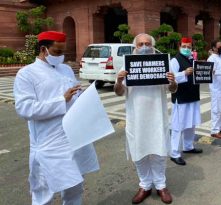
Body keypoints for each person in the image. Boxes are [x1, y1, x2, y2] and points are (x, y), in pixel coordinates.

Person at [14, 31, 100, 205]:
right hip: (49, 143)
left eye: (63, 52)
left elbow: (73, 95)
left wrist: (81, 97)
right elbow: (25, 109)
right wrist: (61, 100)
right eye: (57, 52)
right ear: (44, 49)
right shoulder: (26, 74)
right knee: (44, 191)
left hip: (74, 137)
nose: (61, 56)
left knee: (75, 184)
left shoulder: (66, 69)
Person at [114, 33, 177, 204]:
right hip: (136, 120)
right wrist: (119, 81)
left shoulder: (163, 64)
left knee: (158, 152)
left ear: (153, 45)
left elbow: (172, 89)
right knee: (139, 152)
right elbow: (119, 92)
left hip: (157, 117)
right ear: (135, 47)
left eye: (147, 43)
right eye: (140, 43)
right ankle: (145, 185)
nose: (144, 46)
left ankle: (161, 185)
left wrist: (172, 81)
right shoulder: (127, 66)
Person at [169, 37, 203, 166]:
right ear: (179, 46)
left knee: (191, 123)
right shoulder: (175, 60)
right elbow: (170, 77)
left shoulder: (191, 59)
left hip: (192, 95)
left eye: (189, 47)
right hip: (181, 97)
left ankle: (188, 146)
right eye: (184, 46)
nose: (187, 49)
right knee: (178, 125)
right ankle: (174, 153)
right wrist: (184, 73)